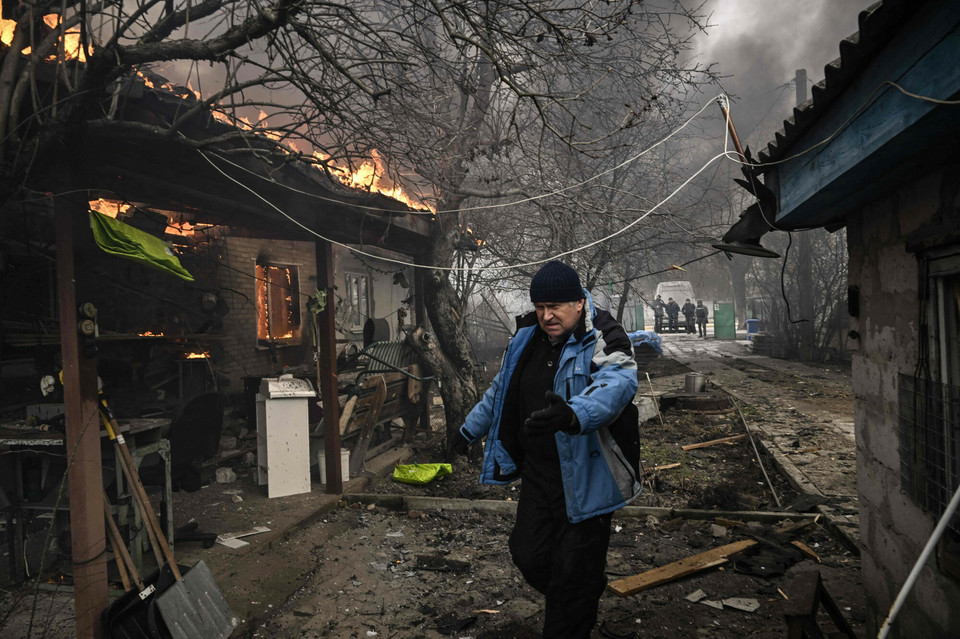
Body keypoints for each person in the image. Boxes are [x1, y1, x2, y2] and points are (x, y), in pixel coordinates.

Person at [453, 261, 641, 639]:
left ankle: (573, 608)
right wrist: (467, 431)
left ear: (578, 302)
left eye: (555, 307)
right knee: (528, 554)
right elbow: (500, 392)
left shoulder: (603, 334)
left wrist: (574, 414)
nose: (546, 315)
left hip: (589, 477)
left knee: (573, 579)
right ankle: (579, 594)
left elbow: (618, 382)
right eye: (540, 307)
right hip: (540, 475)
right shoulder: (524, 339)